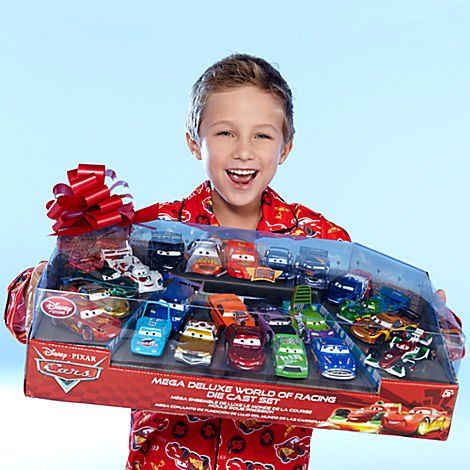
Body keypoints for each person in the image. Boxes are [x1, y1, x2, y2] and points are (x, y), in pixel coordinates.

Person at [124, 54, 350, 469]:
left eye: (262, 136)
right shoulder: (151, 230)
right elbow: (42, 314)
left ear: (287, 147)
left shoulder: (323, 241)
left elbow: (360, 326)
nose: (244, 152)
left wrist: (426, 314)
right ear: (194, 141)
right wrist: (66, 271)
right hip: (163, 457)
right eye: (225, 132)